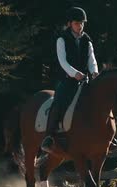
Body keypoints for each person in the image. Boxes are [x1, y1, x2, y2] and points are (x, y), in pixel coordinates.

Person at [41, 7, 99, 153]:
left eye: (82, 23)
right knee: (59, 101)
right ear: (70, 24)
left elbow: (91, 60)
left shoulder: (87, 40)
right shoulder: (62, 39)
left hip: (84, 80)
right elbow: (63, 61)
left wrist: (94, 72)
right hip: (67, 80)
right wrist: (75, 73)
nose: (80, 26)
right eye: (77, 23)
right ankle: (49, 136)